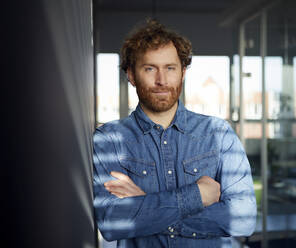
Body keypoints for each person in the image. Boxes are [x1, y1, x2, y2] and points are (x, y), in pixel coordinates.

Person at [93, 19, 256, 248]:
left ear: (183, 72)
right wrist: (197, 196)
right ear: (131, 75)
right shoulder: (109, 140)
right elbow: (112, 223)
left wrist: (145, 206)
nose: (161, 80)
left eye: (170, 68)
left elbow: (244, 218)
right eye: (150, 69)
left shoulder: (218, 134)